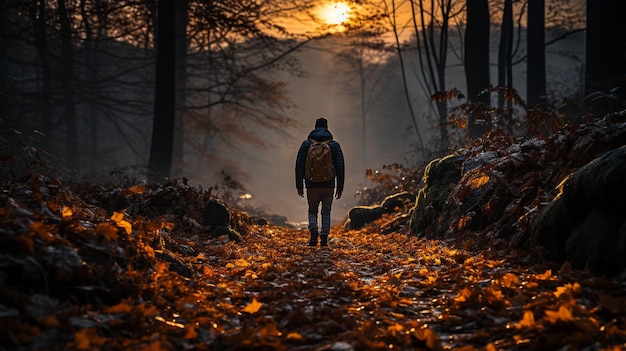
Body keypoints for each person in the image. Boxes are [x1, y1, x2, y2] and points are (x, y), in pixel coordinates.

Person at [295, 118, 345, 247]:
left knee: (312, 211)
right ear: (327, 128)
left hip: (311, 184)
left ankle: (313, 231)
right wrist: (340, 187)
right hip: (328, 184)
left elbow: (299, 165)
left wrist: (299, 185)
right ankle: (324, 236)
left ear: (315, 127)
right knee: (326, 211)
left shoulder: (306, 144)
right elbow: (340, 167)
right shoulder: (334, 145)